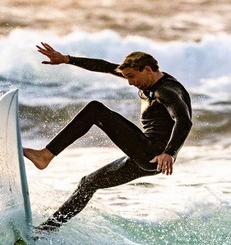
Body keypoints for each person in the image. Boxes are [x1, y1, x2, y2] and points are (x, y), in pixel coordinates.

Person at [24, 42, 192, 232]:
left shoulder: (166, 90)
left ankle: (45, 155)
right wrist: (67, 59)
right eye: (126, 76)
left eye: (131, 76)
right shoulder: (150, 82)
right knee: (88, 183)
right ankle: (44, 231)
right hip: (147, 160)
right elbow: (105, 66)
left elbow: (184, 121)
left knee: (95, 110)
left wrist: (169, 153)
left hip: (153, 153)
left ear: (147, 69)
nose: (129, 82)